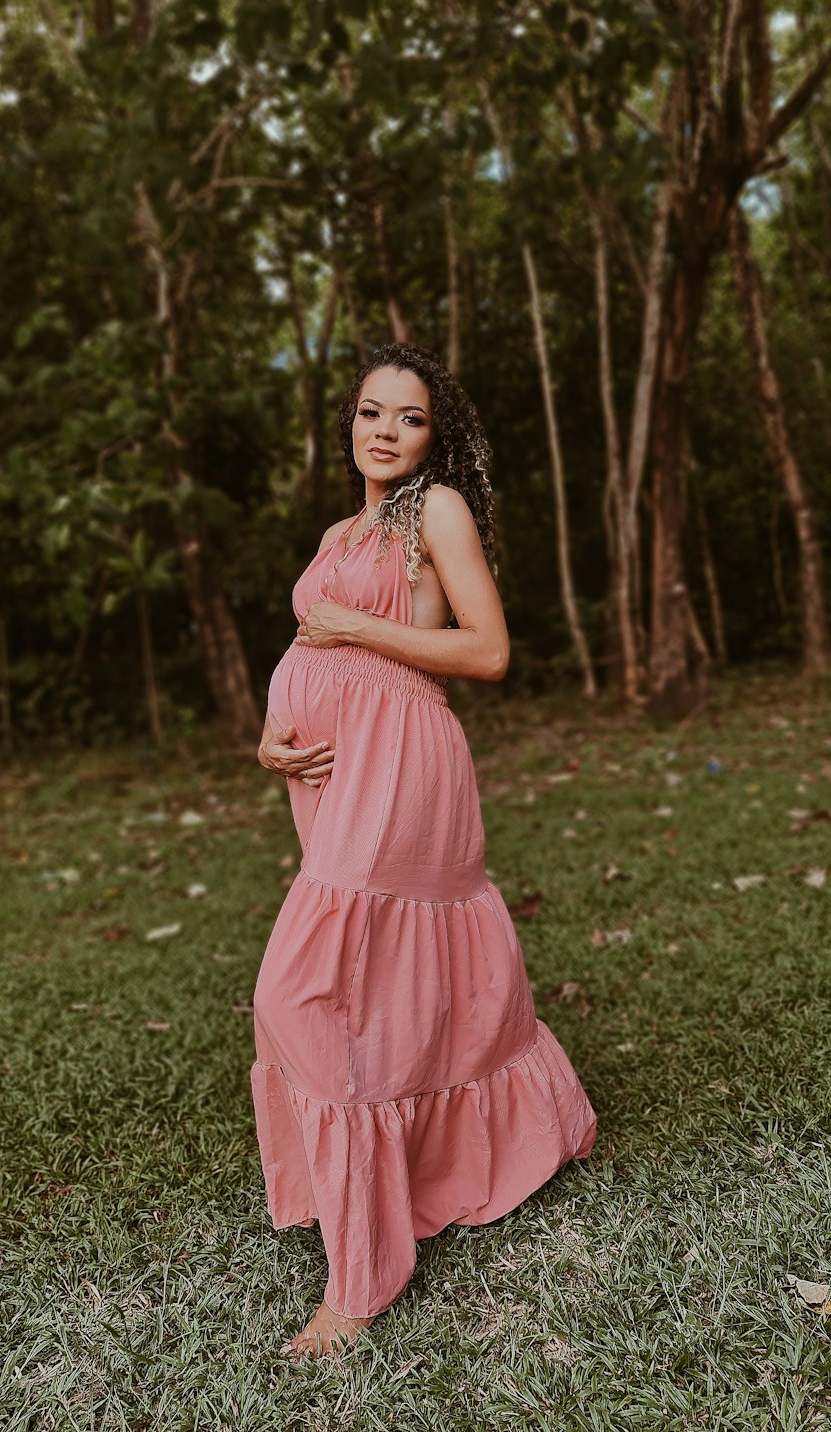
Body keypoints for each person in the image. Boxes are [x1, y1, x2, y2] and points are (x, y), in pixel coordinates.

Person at [252, 341, 596, 1360]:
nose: (384, 432)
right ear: (349, 424)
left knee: (298, 990)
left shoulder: (433, 512)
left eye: (406, 417)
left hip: (405, 763)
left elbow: (484, 650)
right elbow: (311, 655)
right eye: (369, 413)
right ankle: (514, 1137)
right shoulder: (337, 527)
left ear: (432, 433)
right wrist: (270, 739)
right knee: (378, 990)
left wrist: (354, 623)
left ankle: (361, 1281)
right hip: (328, 777)